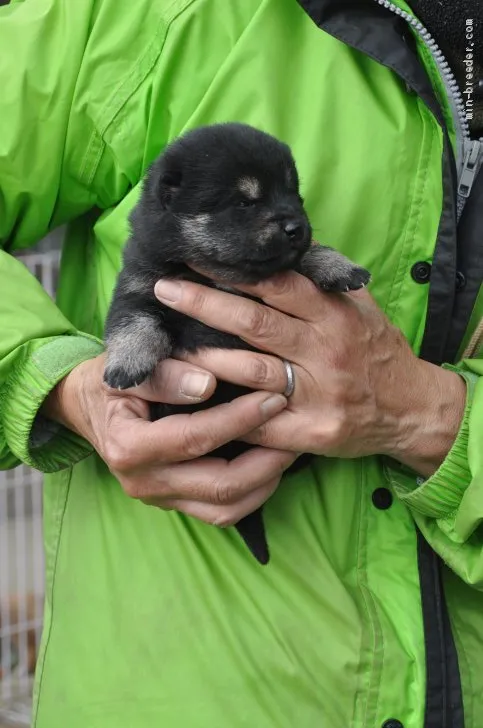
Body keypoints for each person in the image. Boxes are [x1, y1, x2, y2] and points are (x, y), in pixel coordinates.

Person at [0, 0, 482, 726]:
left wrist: (435, 419)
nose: (287, 218)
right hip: (186, 692)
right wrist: (55, 386)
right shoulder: (139, 16)